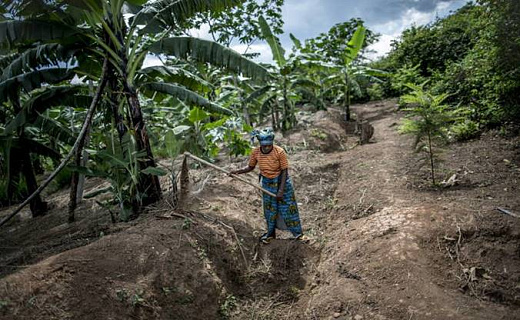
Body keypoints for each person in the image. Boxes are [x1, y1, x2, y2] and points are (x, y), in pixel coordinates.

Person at [230, 128, 304, 244]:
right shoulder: (256, 152)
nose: (266, 148)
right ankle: (271, 234)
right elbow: (250, 167)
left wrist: (280, 190)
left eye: (268, 145)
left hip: (282, 182)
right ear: (260, 144)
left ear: (272, 143)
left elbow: (285, 171)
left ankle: (298, 234)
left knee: (289, 208)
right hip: (267, 184)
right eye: (264, 146)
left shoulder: (279, 152)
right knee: (270, 210)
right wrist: (236, 172)